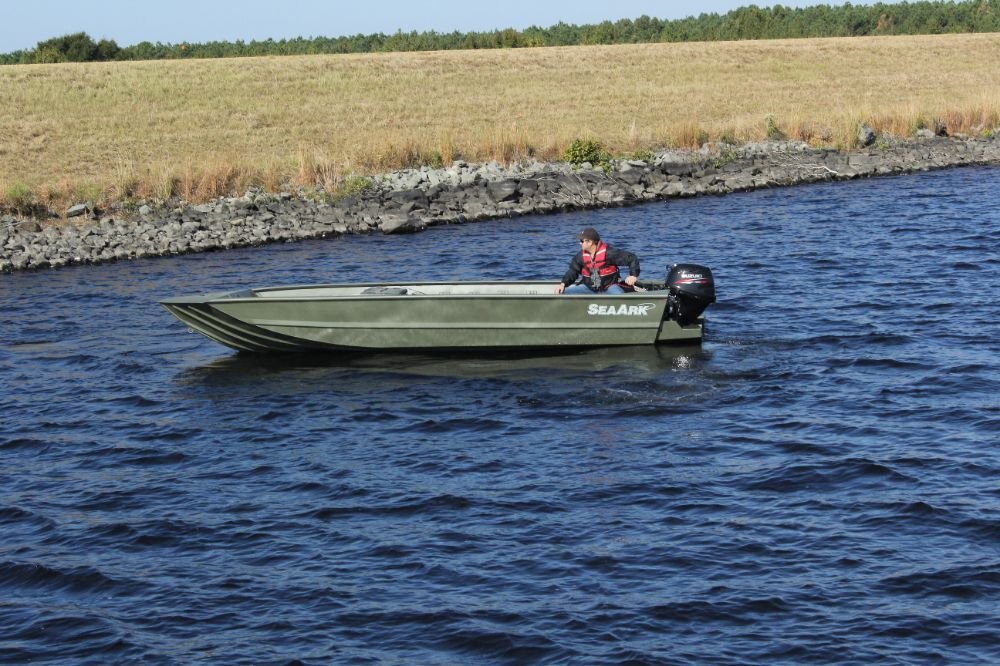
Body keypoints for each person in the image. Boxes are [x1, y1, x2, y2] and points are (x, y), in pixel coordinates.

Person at [556, 227, 641, 294]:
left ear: (590, 242)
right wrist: (563, 284)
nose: (580, 243)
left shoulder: (609, 253)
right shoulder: (580, 256)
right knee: (563, 293)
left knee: (619, 296)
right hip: (589, 288)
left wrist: (633, 275)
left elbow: (632, 258)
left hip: (609, 287)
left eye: (582, 241)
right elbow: (572, 271)